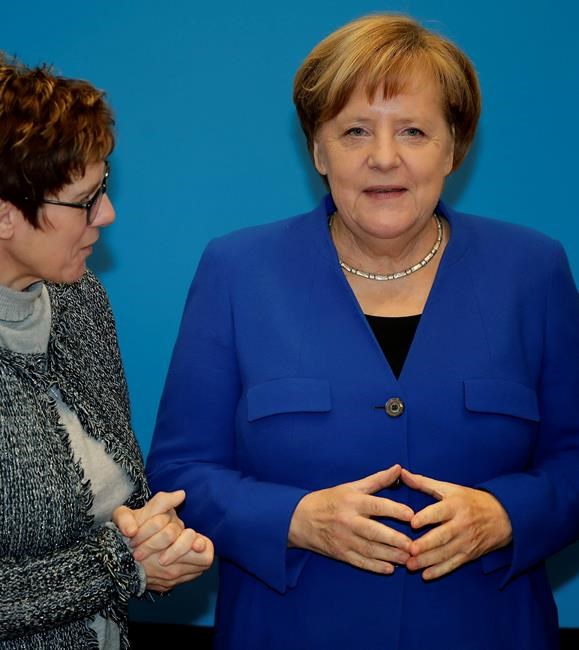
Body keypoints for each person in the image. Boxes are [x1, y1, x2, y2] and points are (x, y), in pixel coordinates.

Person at [146, 14, 579, 650]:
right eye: (354, 131)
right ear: (318, 151)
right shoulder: (236, 271)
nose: (383, 157)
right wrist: (295, 519)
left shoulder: (533, 270)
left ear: (454, 147)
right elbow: (180, 472)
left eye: (413, 131)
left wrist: (507, 515)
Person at [0, 55, 213, 649]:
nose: (109, 214)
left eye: (105, 187)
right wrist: (124, 565)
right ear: (4, 215)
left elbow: (123, 502)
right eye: (85, 200)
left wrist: (160, 542)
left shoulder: (80, 300)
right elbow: (116, 559)